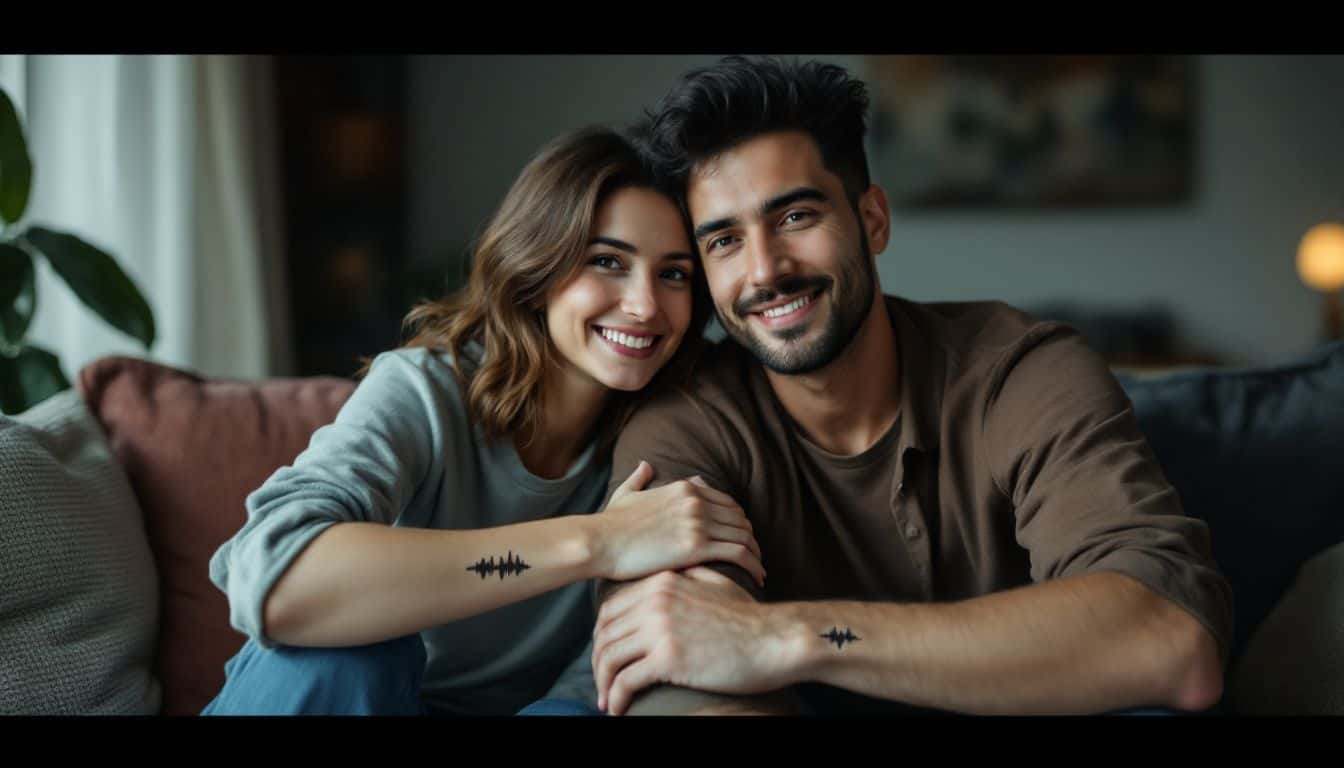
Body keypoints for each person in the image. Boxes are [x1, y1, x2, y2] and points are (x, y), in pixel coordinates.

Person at [581, 57, 1234, 716]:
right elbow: (666, 660)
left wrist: (782, 636)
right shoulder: (687, 420)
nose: (764, 270)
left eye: (796, 216)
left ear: (872, 221)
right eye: (723, 241)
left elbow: (1171, 637)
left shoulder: (1023, 373)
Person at [201, 126, 764, 716]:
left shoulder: (667, 439)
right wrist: (600, 541)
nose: (645, 304)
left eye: (673, 274)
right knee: (351, 656)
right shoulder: (424, 391)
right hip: (342, 695)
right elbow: (275, 578)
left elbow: (598, 680)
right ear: (538, 264)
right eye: (606, 261)